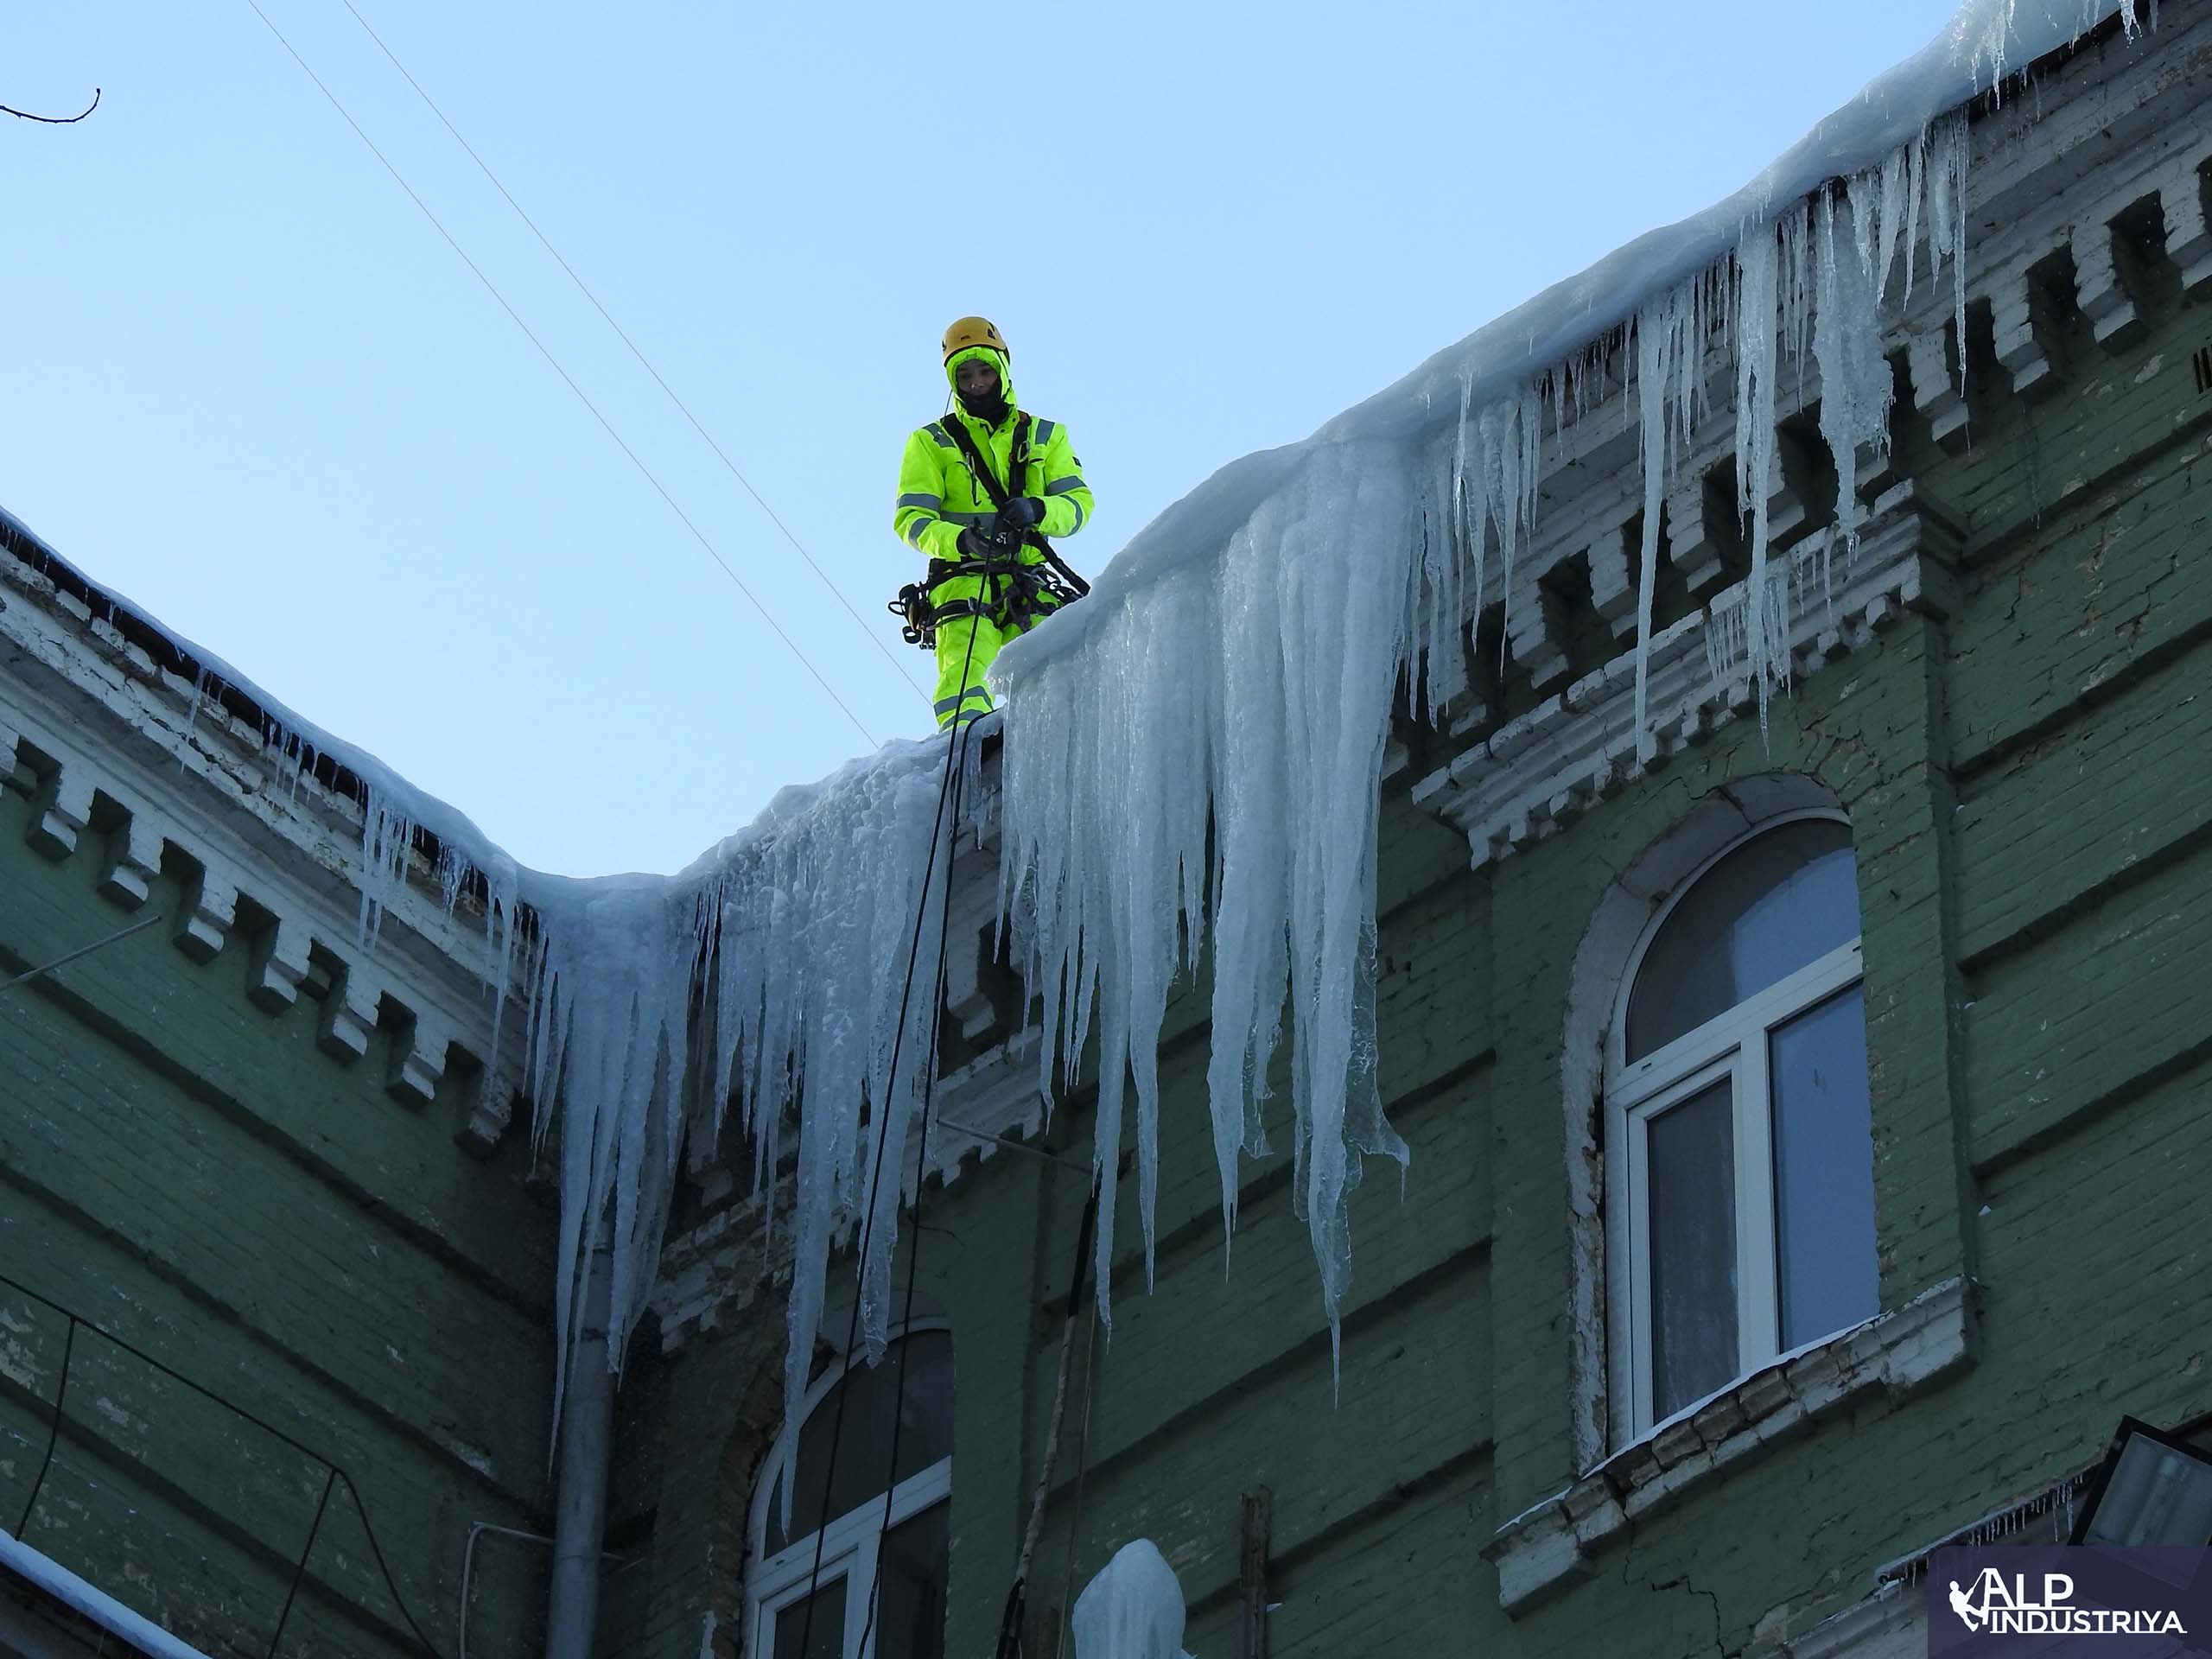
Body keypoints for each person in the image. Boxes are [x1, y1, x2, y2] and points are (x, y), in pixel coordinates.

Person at [894, 317, 1093, 729]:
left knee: (1055, 670)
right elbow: (911, 521)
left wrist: (1037, 510)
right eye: (964, 375)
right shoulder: (931, 442)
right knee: (964, 675)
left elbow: (1078, 505)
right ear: (953, 381)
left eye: (984, 371)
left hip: (1029, 580)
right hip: (962, 579)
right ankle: (967, 747)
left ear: (1002, 369)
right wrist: (961, 541)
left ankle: (1056, 737)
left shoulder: (1045, 435)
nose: (976, 382)